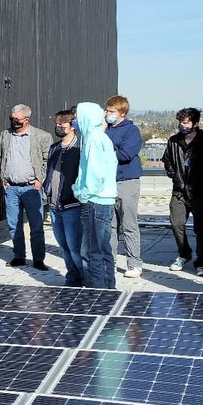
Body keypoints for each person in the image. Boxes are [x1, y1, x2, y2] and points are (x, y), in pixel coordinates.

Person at [163, 107, 203, 276]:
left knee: (200, 227)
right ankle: (184, 253)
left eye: (186, 122)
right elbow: (167, 160)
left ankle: (202, 262)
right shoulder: (174, 141)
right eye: (181, 122)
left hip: (199, 191)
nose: (183, 125)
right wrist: (174, 175)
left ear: (195, 123)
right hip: (179, 189)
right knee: (176, 223)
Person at [0, 104, 52, 270]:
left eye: (17, 119)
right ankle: (19, 256)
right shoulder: (5, 135)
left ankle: (38, 259)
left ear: (26, 119)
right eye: (12, 118)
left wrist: (40, 179)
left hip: (31, 188)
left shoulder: (41, 136)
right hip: (11, 187)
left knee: (36, 225)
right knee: (14, 224)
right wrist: (1, 177)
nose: (14, 122)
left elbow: (47, 160)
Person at [73, 102, 118, 289]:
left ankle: (97, 293)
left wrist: (82, 193)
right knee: (103, 249)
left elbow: (95, 174)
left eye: (77, 117)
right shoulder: (101, 137)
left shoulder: (92, 139)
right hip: (104, 201)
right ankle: (109, 289)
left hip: (94, 201)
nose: (75, 121)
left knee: (91, 252)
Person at [104, 95, 143, 279]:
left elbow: (126, 154)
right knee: (110, 226)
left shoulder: (131, 131)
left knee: (129, 225)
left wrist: (105, 152)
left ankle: (134, 263)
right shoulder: (105, 129)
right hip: (108, 182)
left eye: (111, 111)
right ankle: (109, 262)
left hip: (126, 181)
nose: (108, 114)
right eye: (107, 110)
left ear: (122, 113)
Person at [44, 109, 83, 287]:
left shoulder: (79, 148)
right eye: (57, 123)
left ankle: (85, 279)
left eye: (62, 124)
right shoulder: (54, 148)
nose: (58, 127)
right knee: (64, 247)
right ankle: (72, 278)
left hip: (72, 205)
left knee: (75, 247)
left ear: (72, 126)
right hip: (54, 205)